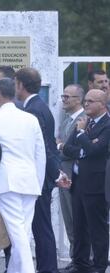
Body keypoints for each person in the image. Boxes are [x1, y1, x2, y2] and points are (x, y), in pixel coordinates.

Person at [0, 78, 46, 273]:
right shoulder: (30, 119)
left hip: (7, 182)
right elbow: (40, 154)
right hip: (30, 182)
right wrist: (38, 183)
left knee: (18, 234)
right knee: (22, 233)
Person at [15, 67, 65, 273]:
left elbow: (44, 146)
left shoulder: (34, 109)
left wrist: (55, 173)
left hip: (39, 178)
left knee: (41, 227)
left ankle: (48, 269)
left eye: (15, 83)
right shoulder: (37, 106)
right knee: (40, 226)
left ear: (20, 85)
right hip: (42, 176)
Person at [62, 89, 110, 273]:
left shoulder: (106, 124)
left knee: (97, 228)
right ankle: (81, 263)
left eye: (90, 101)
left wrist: (82, 136)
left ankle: (99, 266)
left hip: (96, 184)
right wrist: (84, 148)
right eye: (86, 100)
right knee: (79, 225)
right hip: (78, 181)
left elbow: (96, 150)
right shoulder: (85, 122)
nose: (86, 104)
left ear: (102, 104)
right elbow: (68, 148)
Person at [56, 84, 85, 271]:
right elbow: (60, 142)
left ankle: (83, 260)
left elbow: (72, 151)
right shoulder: (68, 119)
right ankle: (76, 259)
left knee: (77, 220)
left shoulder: (83, 120)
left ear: (78, 99)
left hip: (76, 177)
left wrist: (60, 146)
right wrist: (61, 145)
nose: (64, 99)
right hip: (64, 175)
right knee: (69, 219)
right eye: (63, 96)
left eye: (67, 96)